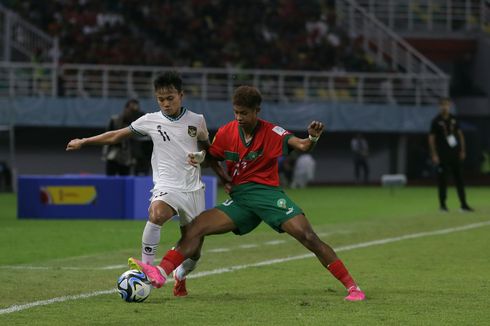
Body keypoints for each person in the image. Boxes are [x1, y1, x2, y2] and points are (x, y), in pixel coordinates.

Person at [128, 85, 366, 301]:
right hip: (241, 200)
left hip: (268, 196)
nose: (239, 118)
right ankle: (161, 273)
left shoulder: (272, 132)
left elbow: (303, 145)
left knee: (308, 237)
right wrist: (202, 158)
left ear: (256, 111)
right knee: (195, 229)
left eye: (244, 113)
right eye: (236, 112)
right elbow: (212, 156)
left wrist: (313, 137)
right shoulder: (227, 132)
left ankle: (353, 287)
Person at [67, 71, 229, 296]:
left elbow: (211, 153)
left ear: (181, 95)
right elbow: (116, 135)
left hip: (193, 190)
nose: (165, 103)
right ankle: (146, 271)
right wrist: (84, 141)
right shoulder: (149, 120)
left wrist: (213, 168)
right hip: (167, 185)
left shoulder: (196, 120)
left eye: (170, 98)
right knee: (157, 214)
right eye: (160, 99)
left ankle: (180, 275)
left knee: (194, 251)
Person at [428, 97, 473, 212]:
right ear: (439, 107)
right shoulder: (435, 121)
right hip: (442, 155)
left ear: (450, 106)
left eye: (446, 105)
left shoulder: (454, 119)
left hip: (455, 154)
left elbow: (460, 135)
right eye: (442, 105)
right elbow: (431, 139)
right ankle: (443, 205)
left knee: (459, 180)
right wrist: (434, 154)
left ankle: (463, 204)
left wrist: (463, 150)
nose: (444, 107)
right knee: (442, 180)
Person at [102, 99, 143, 176]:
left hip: (127, 157)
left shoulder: (136, 124)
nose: (132, 113)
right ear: (125, 108)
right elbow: (107, 137)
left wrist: (135, 157)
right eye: (131, 110)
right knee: (110, 179)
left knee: (125, 181)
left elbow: (136, 142)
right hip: (113, 155)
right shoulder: (114, 120)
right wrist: (105, 153)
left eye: (135, 111)